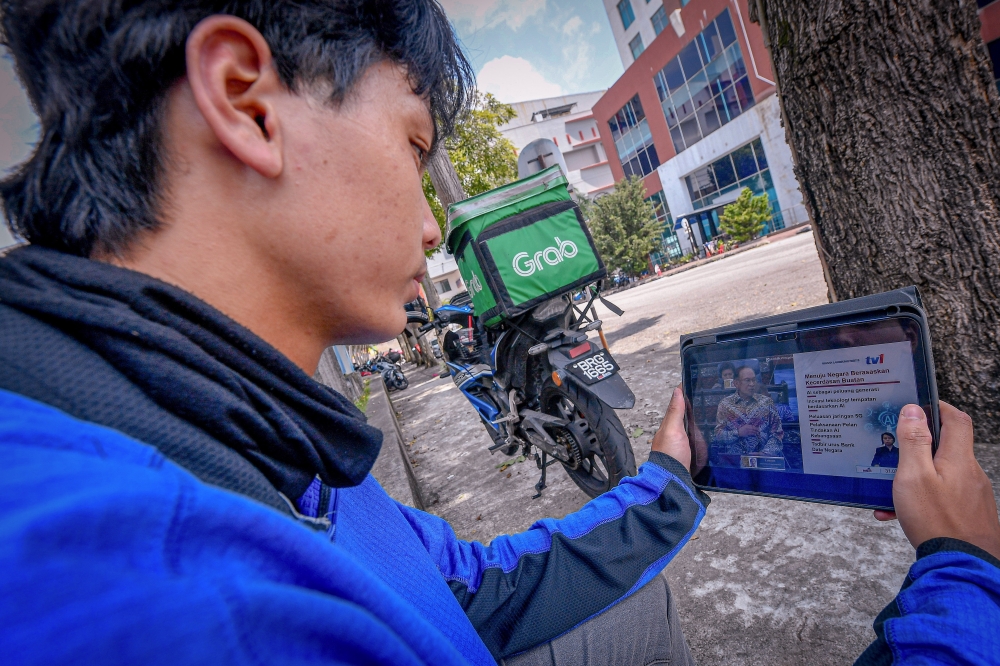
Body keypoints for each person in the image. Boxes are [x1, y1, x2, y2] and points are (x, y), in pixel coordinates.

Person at [0, 2, 998, 665]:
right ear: (246, 102)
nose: (433, 225)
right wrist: (960, 571)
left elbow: (467, 584)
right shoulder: (173, 599)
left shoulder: (256, 435)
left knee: (642, 608)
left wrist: (671, 485)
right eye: (412, 143)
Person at [713, 366, 784, 457]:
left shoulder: (767, 402)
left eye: (754, 380)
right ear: (736, 383)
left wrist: (766, 453)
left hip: (763, 461)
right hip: (735, 461)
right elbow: (718, 436)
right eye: (747, 380)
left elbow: (777, 433)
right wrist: (738, 432)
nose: (752, 384)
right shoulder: (725, 405)